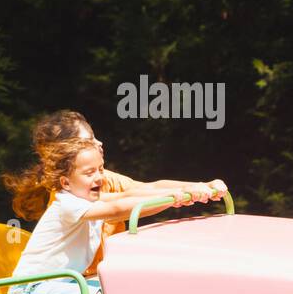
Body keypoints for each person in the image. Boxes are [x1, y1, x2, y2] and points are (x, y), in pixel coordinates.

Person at [2, 140, 216, 294]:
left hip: (60, 283)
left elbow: (131, 196)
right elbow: (116, 208)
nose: (99, 177)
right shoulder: (67, 204)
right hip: (28, 291)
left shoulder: (89, 199)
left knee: (116, 293)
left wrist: (185, 194)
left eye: (101, 169)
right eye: (89, 172)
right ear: (66, 183)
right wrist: (170, 200)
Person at [18, 110, 226, 275]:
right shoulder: (69, 197)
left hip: (106, 273)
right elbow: (118, 209)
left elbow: (145, 188)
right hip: (85, 277)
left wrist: (197, 186)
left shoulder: (101, 178)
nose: (99, 143)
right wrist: (176, 196)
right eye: (89, 141)